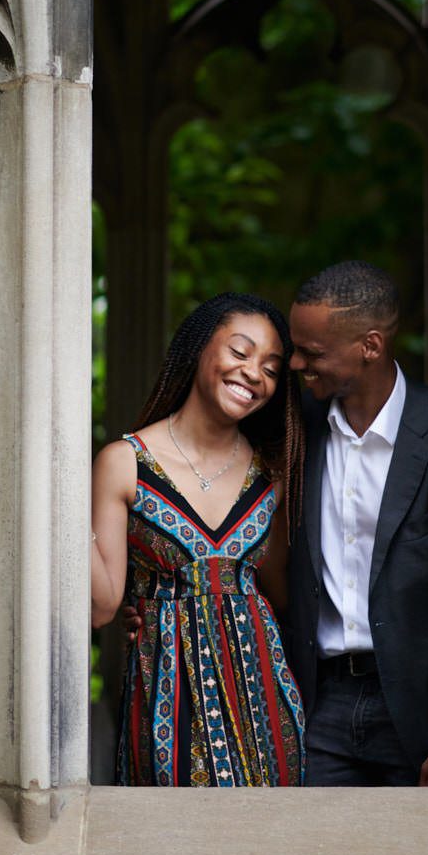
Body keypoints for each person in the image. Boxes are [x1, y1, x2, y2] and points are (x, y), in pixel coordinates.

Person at [91, 293, 305, 787]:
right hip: (167, 691)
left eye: (272, 368)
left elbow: (279, 593)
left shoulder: (271, 474)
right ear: (198, 349)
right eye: (240, 351)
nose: (254, 373)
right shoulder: (125, 463)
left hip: (265, 695)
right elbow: (102, 607)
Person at [285, 260, 428, 786]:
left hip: (419, 716)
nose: (297, 363)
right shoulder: (294, 431)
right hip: (316, 709)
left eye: (313, 352)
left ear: (370, 345)